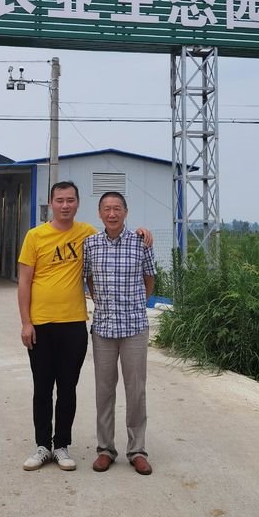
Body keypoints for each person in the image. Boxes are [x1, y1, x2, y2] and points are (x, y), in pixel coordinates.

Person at [17, 181, 152, 472]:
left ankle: (62, 446)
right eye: (60, 200)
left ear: (78, 204)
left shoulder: (87, 235)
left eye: (70, 200)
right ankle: (43, 446)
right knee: (43, 387)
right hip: (41, 324)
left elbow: (136, 265)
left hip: (74, 324)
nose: (65, 205)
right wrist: (26, 322)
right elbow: (24, 281)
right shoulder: (36, 236)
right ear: (52, 203)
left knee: (68, 388)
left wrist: (143, 232)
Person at [83, 191, 156, 476]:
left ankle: (137, 451)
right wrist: (101, 301)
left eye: (117, 208)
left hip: (134, 327)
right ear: (99, 213)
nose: (111, 214)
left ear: (125, 212)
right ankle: (105, 449)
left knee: (136, 390)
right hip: (103, 328)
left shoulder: (141, 242)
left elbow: (149, 278)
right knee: (104, 390)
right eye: (106, 209)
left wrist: (136, 304)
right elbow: (89, 278)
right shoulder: (91, 244)